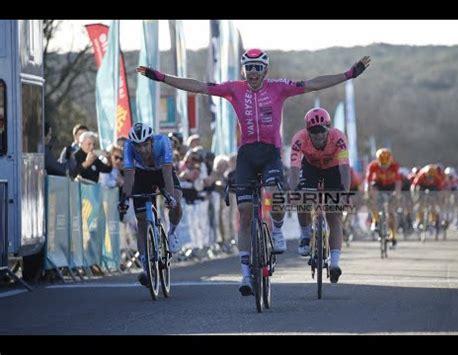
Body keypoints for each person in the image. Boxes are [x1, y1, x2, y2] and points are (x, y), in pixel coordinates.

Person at [137, 48, 371, 295]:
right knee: (245, 212)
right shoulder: (234, 89)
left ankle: (277, 229)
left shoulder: (279, 87)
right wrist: (161, 77)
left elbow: (314, 84)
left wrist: (348, 74)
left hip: (270, 153)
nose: (253, 73)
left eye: (258, 67)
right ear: (243, 70)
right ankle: (246, 275)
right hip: (247, 154)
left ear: (266, 69)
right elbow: (197, 86)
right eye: (249, 68)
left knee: (272, 193)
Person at [289, 107, 350, 283]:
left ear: (328, 128)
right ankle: (306, 235)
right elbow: (293, 168)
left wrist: (344, 194)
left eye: (321, 131)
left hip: (333, 169)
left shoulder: (338, 137)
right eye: (313, 131)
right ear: (307, 131)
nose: (318, 135)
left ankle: (335, 263)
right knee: (302, 200)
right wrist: (294, 191)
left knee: (334, 215)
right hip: (310, 168)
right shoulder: (299, 139)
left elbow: (345, 167)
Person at [118, 123, 183, 287]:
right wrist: (125, 198)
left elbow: (168, 173)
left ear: (151, 141)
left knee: (176, 203)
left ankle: (173, 232)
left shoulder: (163, 142)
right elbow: (129, 176)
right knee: (142, 221)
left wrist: (170, 198)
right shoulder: (128, 147)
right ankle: (147, 268)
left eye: (145, 145)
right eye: (138, 146)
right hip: (142, 176)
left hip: (162, 173)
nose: (142, 150)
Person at [365, 148, 402, 248]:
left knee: (391, 212)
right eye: (382, 164)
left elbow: (398, 182)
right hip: (378, 184)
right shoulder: (372, 166)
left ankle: (393, 236)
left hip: (390, 185)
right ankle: (375, 219)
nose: (384, 167)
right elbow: (368, 181)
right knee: (371, 196)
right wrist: (368, 194)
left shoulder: (395, 166)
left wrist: (397, 194)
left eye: (386, 164)